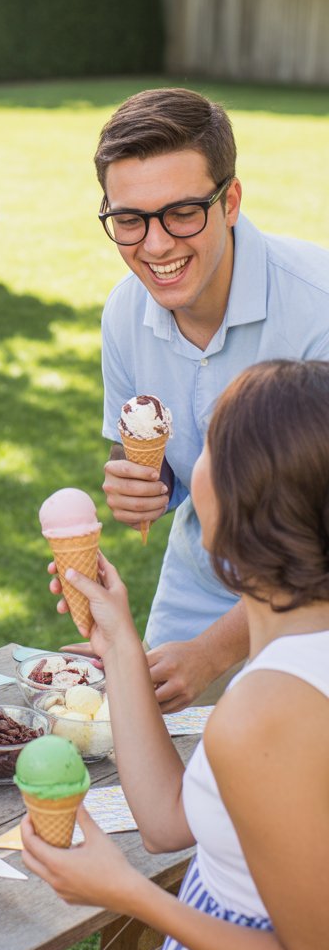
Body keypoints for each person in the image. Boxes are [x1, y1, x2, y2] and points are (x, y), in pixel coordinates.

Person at [27, 359, 329, 950]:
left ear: (245, 500)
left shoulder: (266, 711)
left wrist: (127, 894)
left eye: (212, 446)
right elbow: (169, 821)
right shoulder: (294, 660)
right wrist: (121, 649)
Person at [94, 87, 329, 710]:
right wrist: (137, 483)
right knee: (148, 771)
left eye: (182, 212)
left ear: (230, 201)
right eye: (129, 219)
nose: (156, 245)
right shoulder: (123, 312)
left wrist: (215, 653)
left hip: (317, 597)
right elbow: (141, 451)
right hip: (199, 579)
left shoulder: (319, 306)